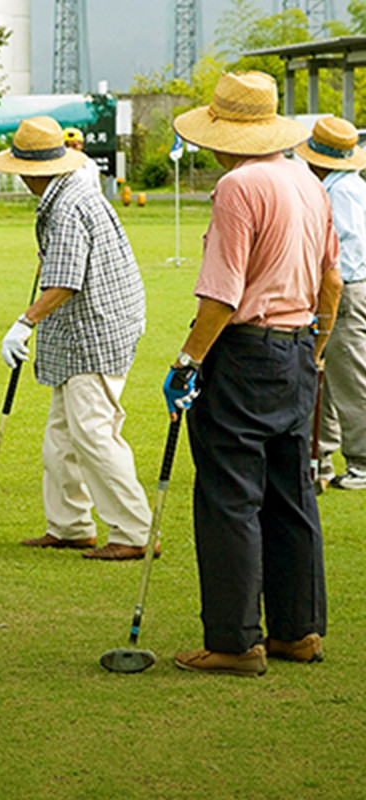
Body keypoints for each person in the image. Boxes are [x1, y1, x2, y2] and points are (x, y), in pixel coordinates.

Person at [163, 71, 342, 676]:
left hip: (244, 353)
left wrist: (187, 361)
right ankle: (299, 631)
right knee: (292, 495)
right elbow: (331, 280)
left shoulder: (239, 186)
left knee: (229, 496)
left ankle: (236, 641)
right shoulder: (307, 180)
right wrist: (316, 345)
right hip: (296, 352)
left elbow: (220, 295)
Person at [0, 116, 154, 561]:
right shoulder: (68, 192)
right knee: (62, 436)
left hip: (96, 329)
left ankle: (135, 532)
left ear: (29, 171)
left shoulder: (67, 205)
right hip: (89, 324)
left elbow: (65, 282)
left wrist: (24, 322)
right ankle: (70, 525)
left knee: (94, 433)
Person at [295, 117, 366, 492]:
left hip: (346, 289)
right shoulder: (336, 186)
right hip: (337, 288)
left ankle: (362, 460)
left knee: (349, 375)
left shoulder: (344, 191)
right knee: (327, 372)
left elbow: (348, 253)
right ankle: (321, 455)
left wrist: (328, 291)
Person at [63, 126, 102, 192]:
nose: (70, 149)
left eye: (75, 145)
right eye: (67, 145)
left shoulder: (89, 164)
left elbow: (97, 188)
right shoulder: (57, 164)